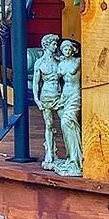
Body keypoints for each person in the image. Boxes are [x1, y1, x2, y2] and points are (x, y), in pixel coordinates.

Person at [32, 34, 60, 169]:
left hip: (59, 95)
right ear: (46, 45)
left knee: (65, 121)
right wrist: (36, 99)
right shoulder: (40, 63)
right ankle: (49, 151)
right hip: (46, 95)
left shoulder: (59, 61)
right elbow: (36, 83)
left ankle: (70, 153)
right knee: (49, 124)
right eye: (53, 44)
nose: (56, 46)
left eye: (56, 44)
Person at [55, 40, 82, 176]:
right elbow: (54, 79)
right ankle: (71, 156)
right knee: (64, 126)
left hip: (75, 95)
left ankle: (77, 158)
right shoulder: (61, 64)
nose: (66, 51)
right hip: (64, 96)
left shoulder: (77, 61)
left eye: (68, 48)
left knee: (68, 121)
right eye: (64, 49)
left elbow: (73, 72)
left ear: (73, 50)